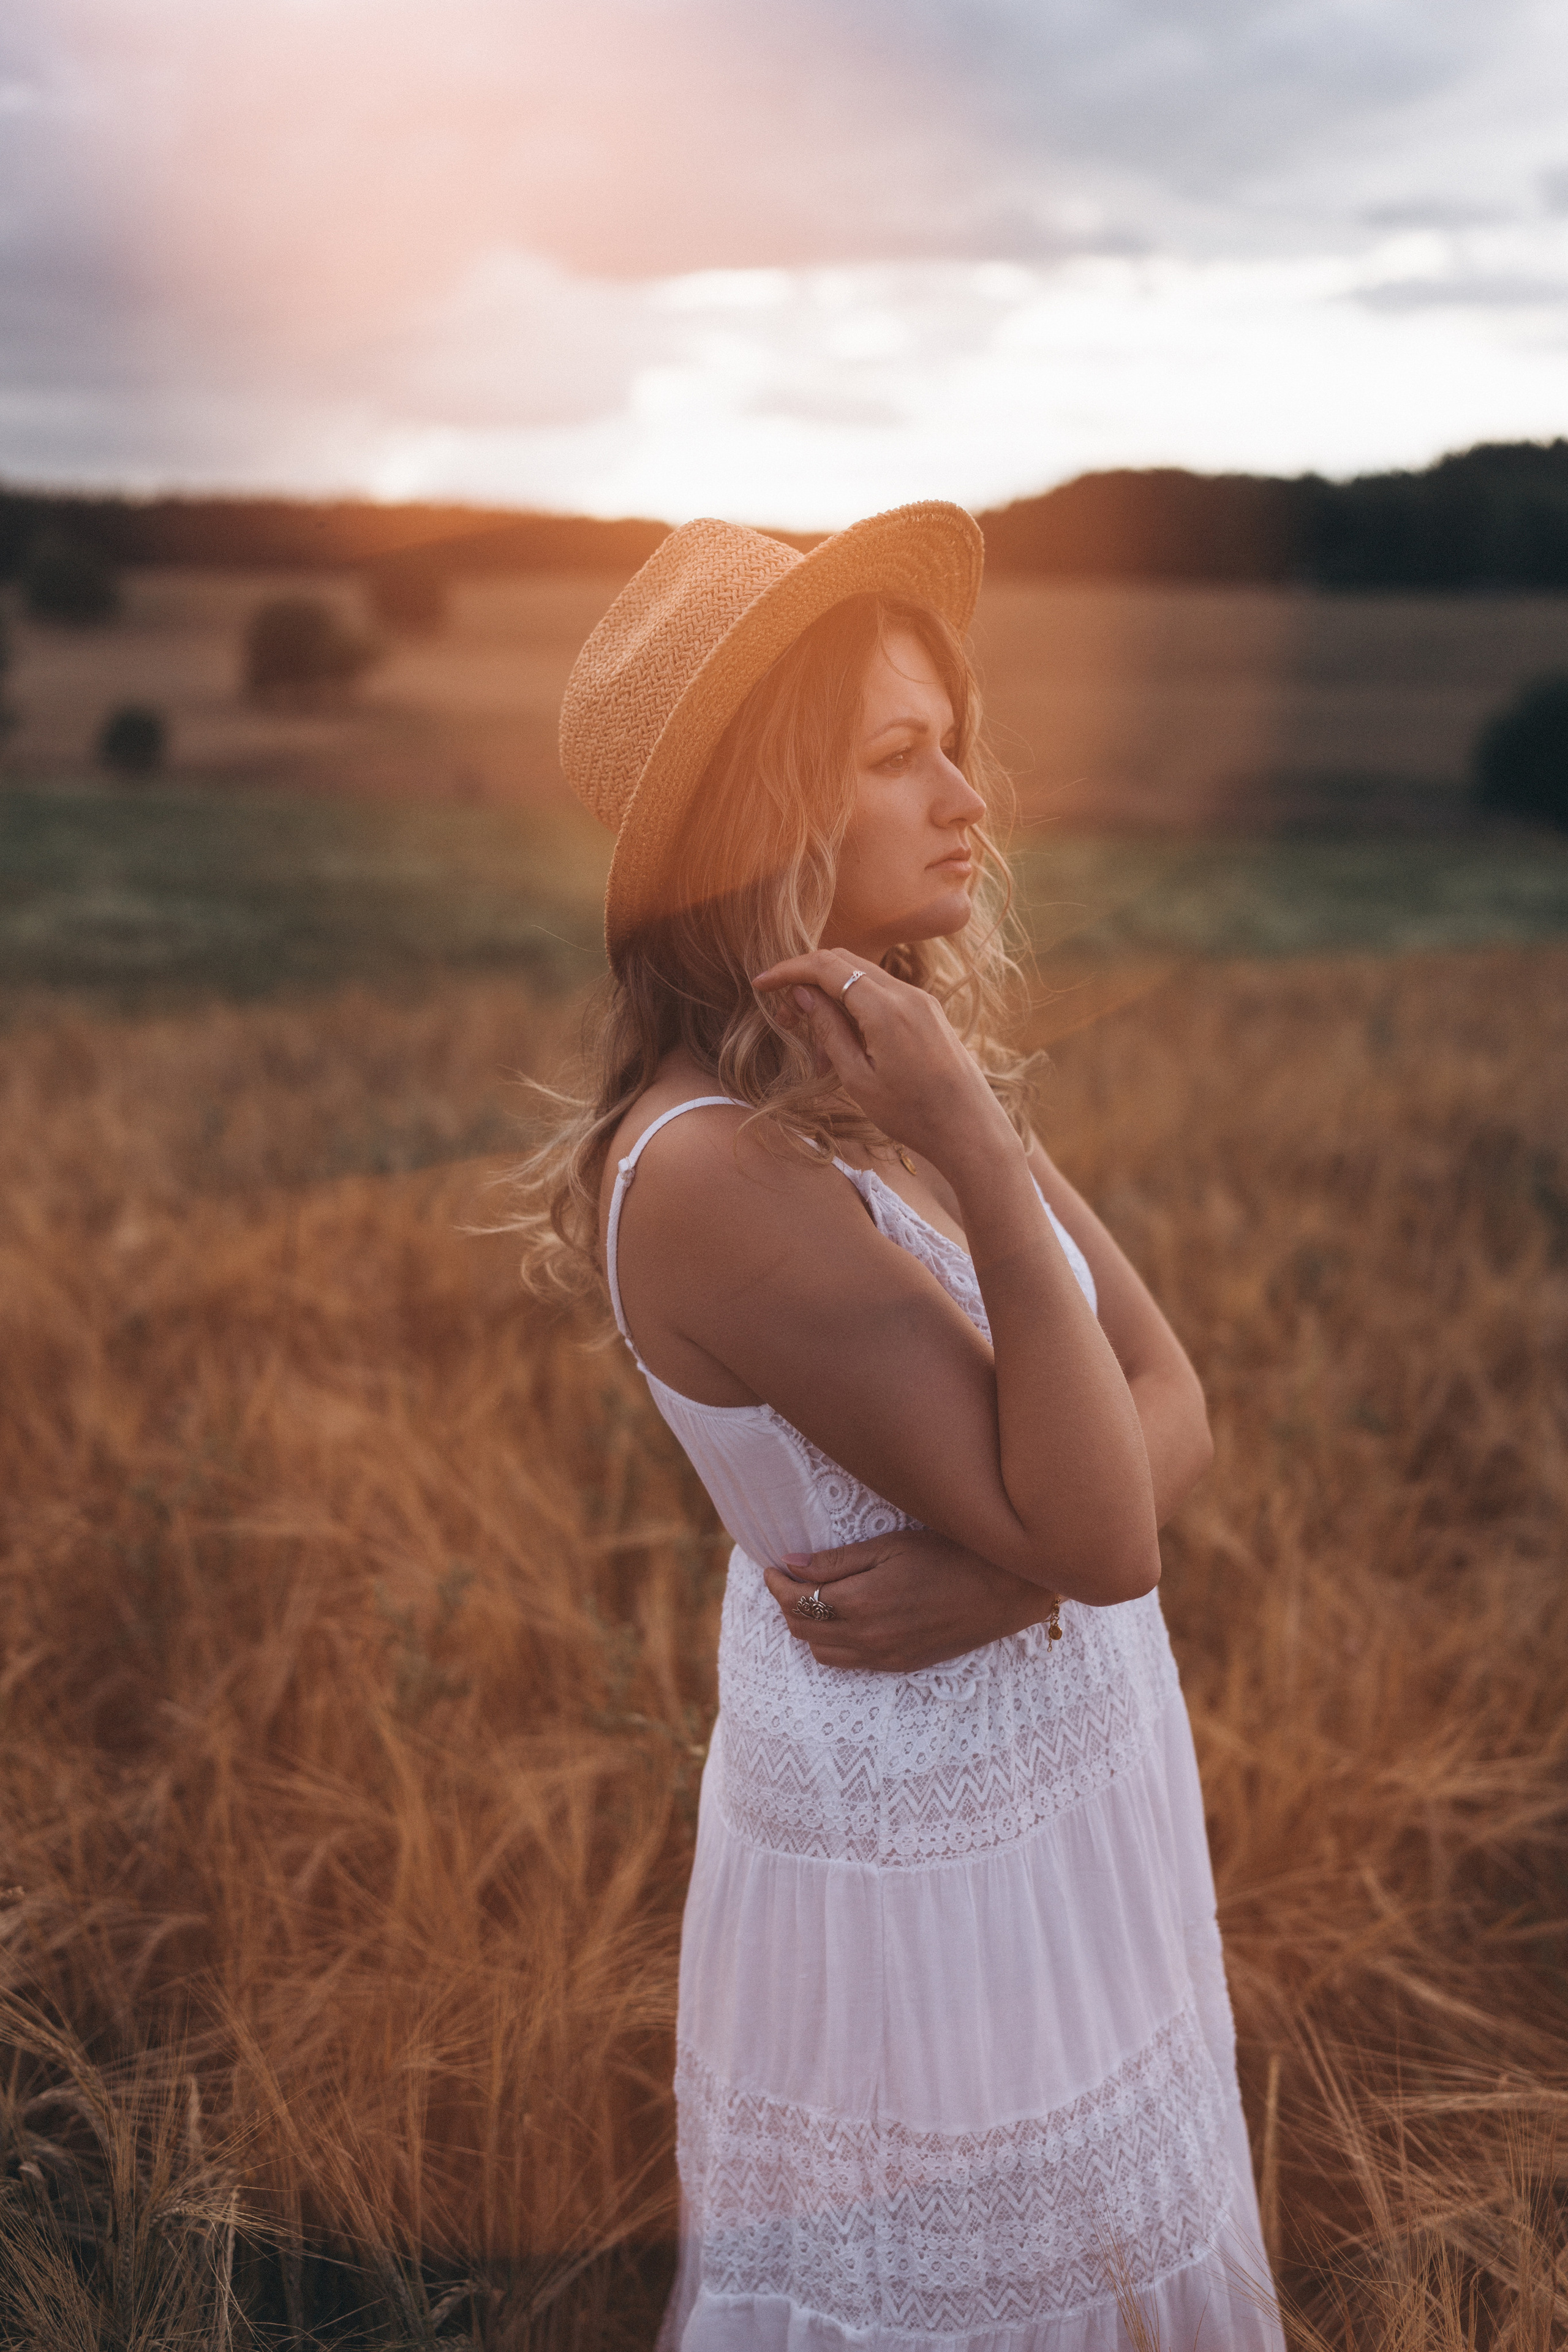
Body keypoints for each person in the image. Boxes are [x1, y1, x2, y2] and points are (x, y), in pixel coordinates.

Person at [516, 504, 1283, 2349]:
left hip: (1068, 1792)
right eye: (897, 754)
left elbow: (1172, 1405)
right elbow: (1108, 1529)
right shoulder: (712, 1171)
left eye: (955, 740)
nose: (967, 795)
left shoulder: (894, 1102)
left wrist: (1004, 1585)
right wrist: (979, 1148)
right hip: (932, 1884)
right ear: (771, 818)